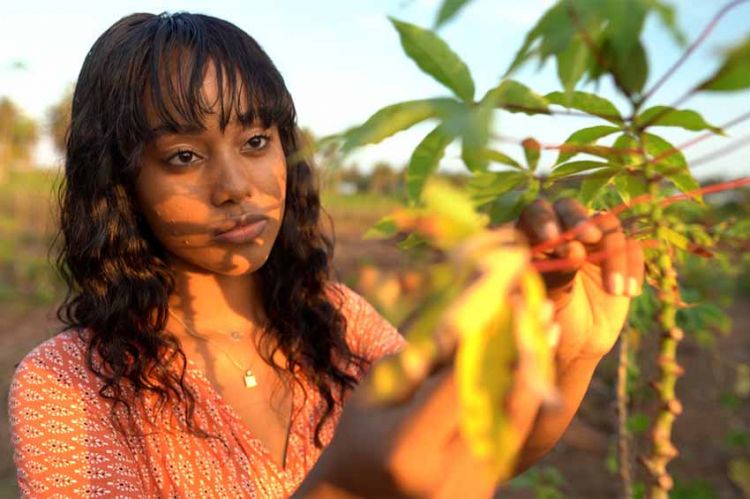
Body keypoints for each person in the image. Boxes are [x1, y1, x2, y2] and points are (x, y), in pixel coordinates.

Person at [7, 11, 643, 498]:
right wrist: (340, 486)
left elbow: (472, 453)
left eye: (256, 140)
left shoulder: (339, 318)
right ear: (121, 183)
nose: (236, 186)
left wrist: (572, 355)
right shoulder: (65, 388)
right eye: (183, 156)